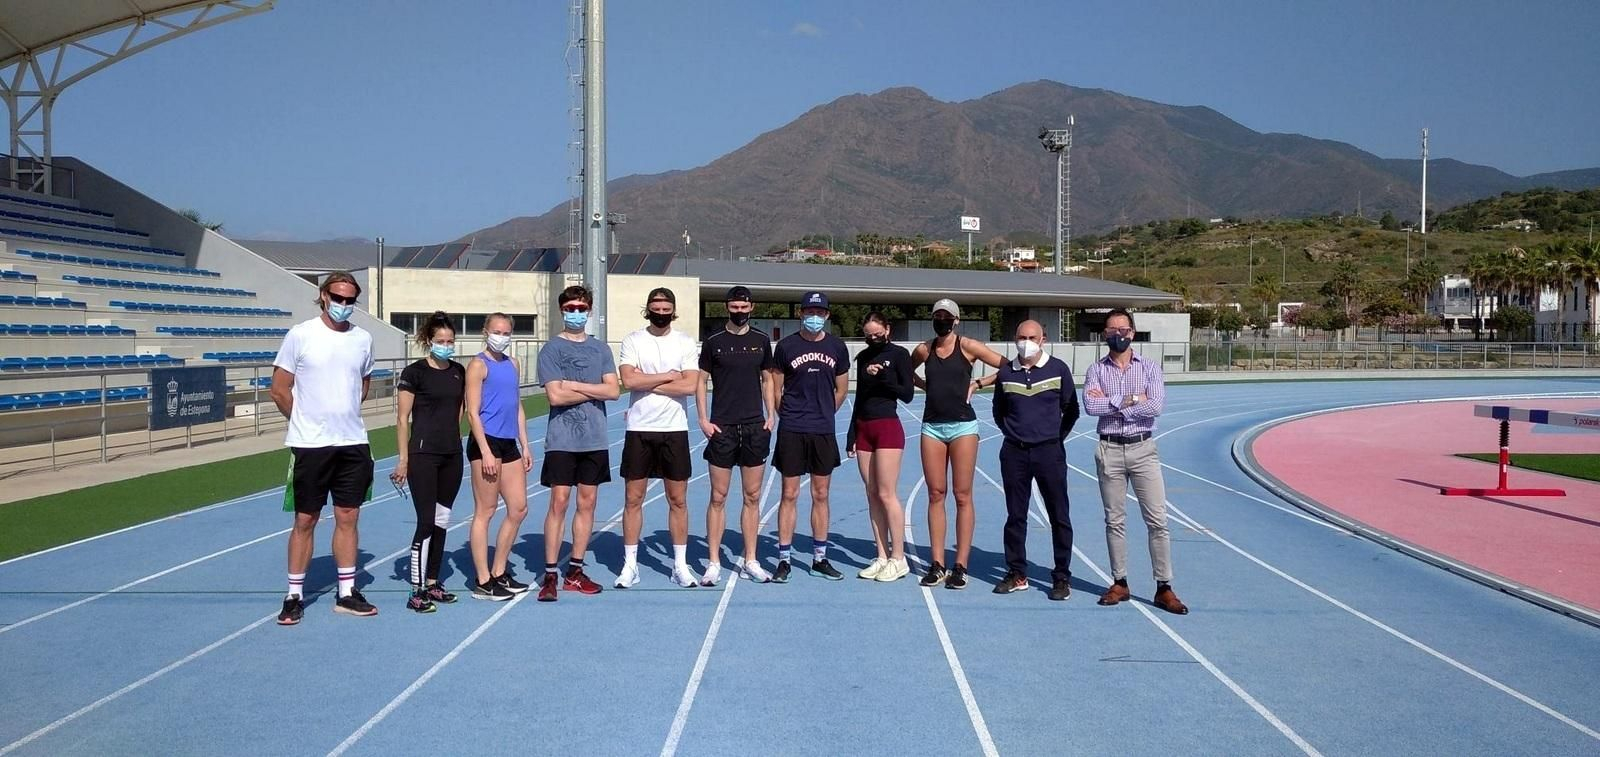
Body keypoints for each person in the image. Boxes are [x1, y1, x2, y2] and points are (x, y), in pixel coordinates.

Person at [271, 271, 377, 625]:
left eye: (350, 300)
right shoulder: (300, 335)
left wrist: (341, 415)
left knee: (348, 516)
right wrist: (303, 422)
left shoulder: (363, 339)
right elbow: (280, 388)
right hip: (311, 447)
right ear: (323, 296)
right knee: (305, 519)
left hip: (352, 443)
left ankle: (346, 591)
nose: (344, 305)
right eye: (338, 298)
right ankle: (294, 595)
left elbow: (362, 384)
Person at [1083, 308, 1188, 615]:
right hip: (1109, 449)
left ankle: (1164, 586)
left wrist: (1114, 404)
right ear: (1105, 335)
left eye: (1123, 330)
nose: (1118, 335)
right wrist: (1131, 399)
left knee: (1157, 520)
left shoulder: (1150, 368)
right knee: (1114, 520)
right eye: (1112, 330)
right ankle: (1120, 582)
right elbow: (1091, 405)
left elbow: (1156, 405)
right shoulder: (1096, 370)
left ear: (1132, 332)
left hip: (1143, 449)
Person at [910, 298, 1004, 590]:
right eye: (937, 316)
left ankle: (960, 565)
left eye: (946, 316)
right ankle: (937, 564)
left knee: (962, 495)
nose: (942, 320)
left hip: (963, 426)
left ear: (956, 320)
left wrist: (979, 383)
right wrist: (926, 386)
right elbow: (905, 370)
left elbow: (1008, 366)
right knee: (936, 494)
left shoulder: (968, 347)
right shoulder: (924, 349)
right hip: (932, 427)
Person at [535, 285, 619, 601]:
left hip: (594, 439)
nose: (576, 313)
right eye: (570, 307)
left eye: (581, 307)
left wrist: (572, 384)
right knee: (559, 502)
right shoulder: (551, 350)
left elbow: (613, 391)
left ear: (590, 310)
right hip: (562, 440)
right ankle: (551, 573)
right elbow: (555, 396)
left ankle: (576, 570)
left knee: (588, 503)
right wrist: (591, 387)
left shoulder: (601, 350)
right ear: (562, 311)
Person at [616, 287, 701, 589]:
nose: (661, 314)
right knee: (632, 499)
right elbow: (628, 381)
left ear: (673, 311)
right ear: (648, 308)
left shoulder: (685, 342)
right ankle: (630, 566)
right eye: (656, 308)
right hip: (639, 429)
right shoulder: (633, 340)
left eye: (666, 310)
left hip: (674, 430)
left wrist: (647, 382)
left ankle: (680, 565)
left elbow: (690, 386)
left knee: (677, 500)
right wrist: (668, 376)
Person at [988, 320, 1078, 600]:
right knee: (1016, 516)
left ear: (1043, 339)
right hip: (1014, 452)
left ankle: (1061, 576)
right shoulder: (1005, 373)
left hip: (1049, 452)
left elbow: (1071, 409)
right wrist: (1014, 434)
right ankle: (1017, 573)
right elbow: (998, 411)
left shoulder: (1058, 369)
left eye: (1032, 337)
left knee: (1059, 515)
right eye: (1021, 336)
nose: (1026, 341)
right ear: (1014, 339)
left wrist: (1053, 438)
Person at [695, 285, 777, 585]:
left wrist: (771, 414)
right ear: (727, 307)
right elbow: (701, 381)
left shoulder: (761, 340)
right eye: (734, 307)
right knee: (718, 496)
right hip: (723, 428)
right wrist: (703, 419)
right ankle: (714, 562)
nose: (739, 312)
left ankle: (751, 560)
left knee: (752, 496)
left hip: (755, 426)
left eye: (744, 308)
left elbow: (768, 379)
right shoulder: (714, 342)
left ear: (751, 308)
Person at [767, 291, 851, 582]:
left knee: (821, 494)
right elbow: (776, 387)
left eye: (819, 312)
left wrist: (825, 412)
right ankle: (784, 559)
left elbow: (841, 390)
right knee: (789, 493)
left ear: (827, 315)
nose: (814, 316)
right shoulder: (786, 346)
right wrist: (787, 414)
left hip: (822, 429)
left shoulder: (837, 347)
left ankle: (819, 557)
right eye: (808, 311)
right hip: (792, 428)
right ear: (800, 313)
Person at [392, 311, 466, 613]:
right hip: (423, 455)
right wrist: (403, 459)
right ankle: (416, 589)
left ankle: (434, 581)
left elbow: (460, 409)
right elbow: (401, 418)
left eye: (450, 341)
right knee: (425, 522)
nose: (446, 345)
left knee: (442, 521)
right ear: (428, 341)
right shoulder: (414, 373)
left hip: (452, 454)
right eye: (440, 341)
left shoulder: (459, 371)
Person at [465, 313, 534, 600]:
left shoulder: (513, 364)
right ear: (485, 331)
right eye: (496, 331)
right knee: (486, 510)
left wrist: (525, 445)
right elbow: (472, 411)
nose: (501, 336)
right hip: (487, 443)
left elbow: (516, 406)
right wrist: (485, 451)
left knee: (518, 509)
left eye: (506, 332)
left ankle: (499, 571)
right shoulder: (478, 365)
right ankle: (483, 580)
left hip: (509, 444)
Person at [846, 312, 913, 582]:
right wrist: (851, 433)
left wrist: (884, 376)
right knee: (871, 493)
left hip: (887, 426)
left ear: (887, 329)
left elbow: (907, 393)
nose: (873, 339)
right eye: (868, 335)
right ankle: (882, 555)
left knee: (887, 493)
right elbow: (860, 396)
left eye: (877, 334)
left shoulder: (899, 355)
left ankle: (899, 557)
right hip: (864, 427)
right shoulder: (862, 357)